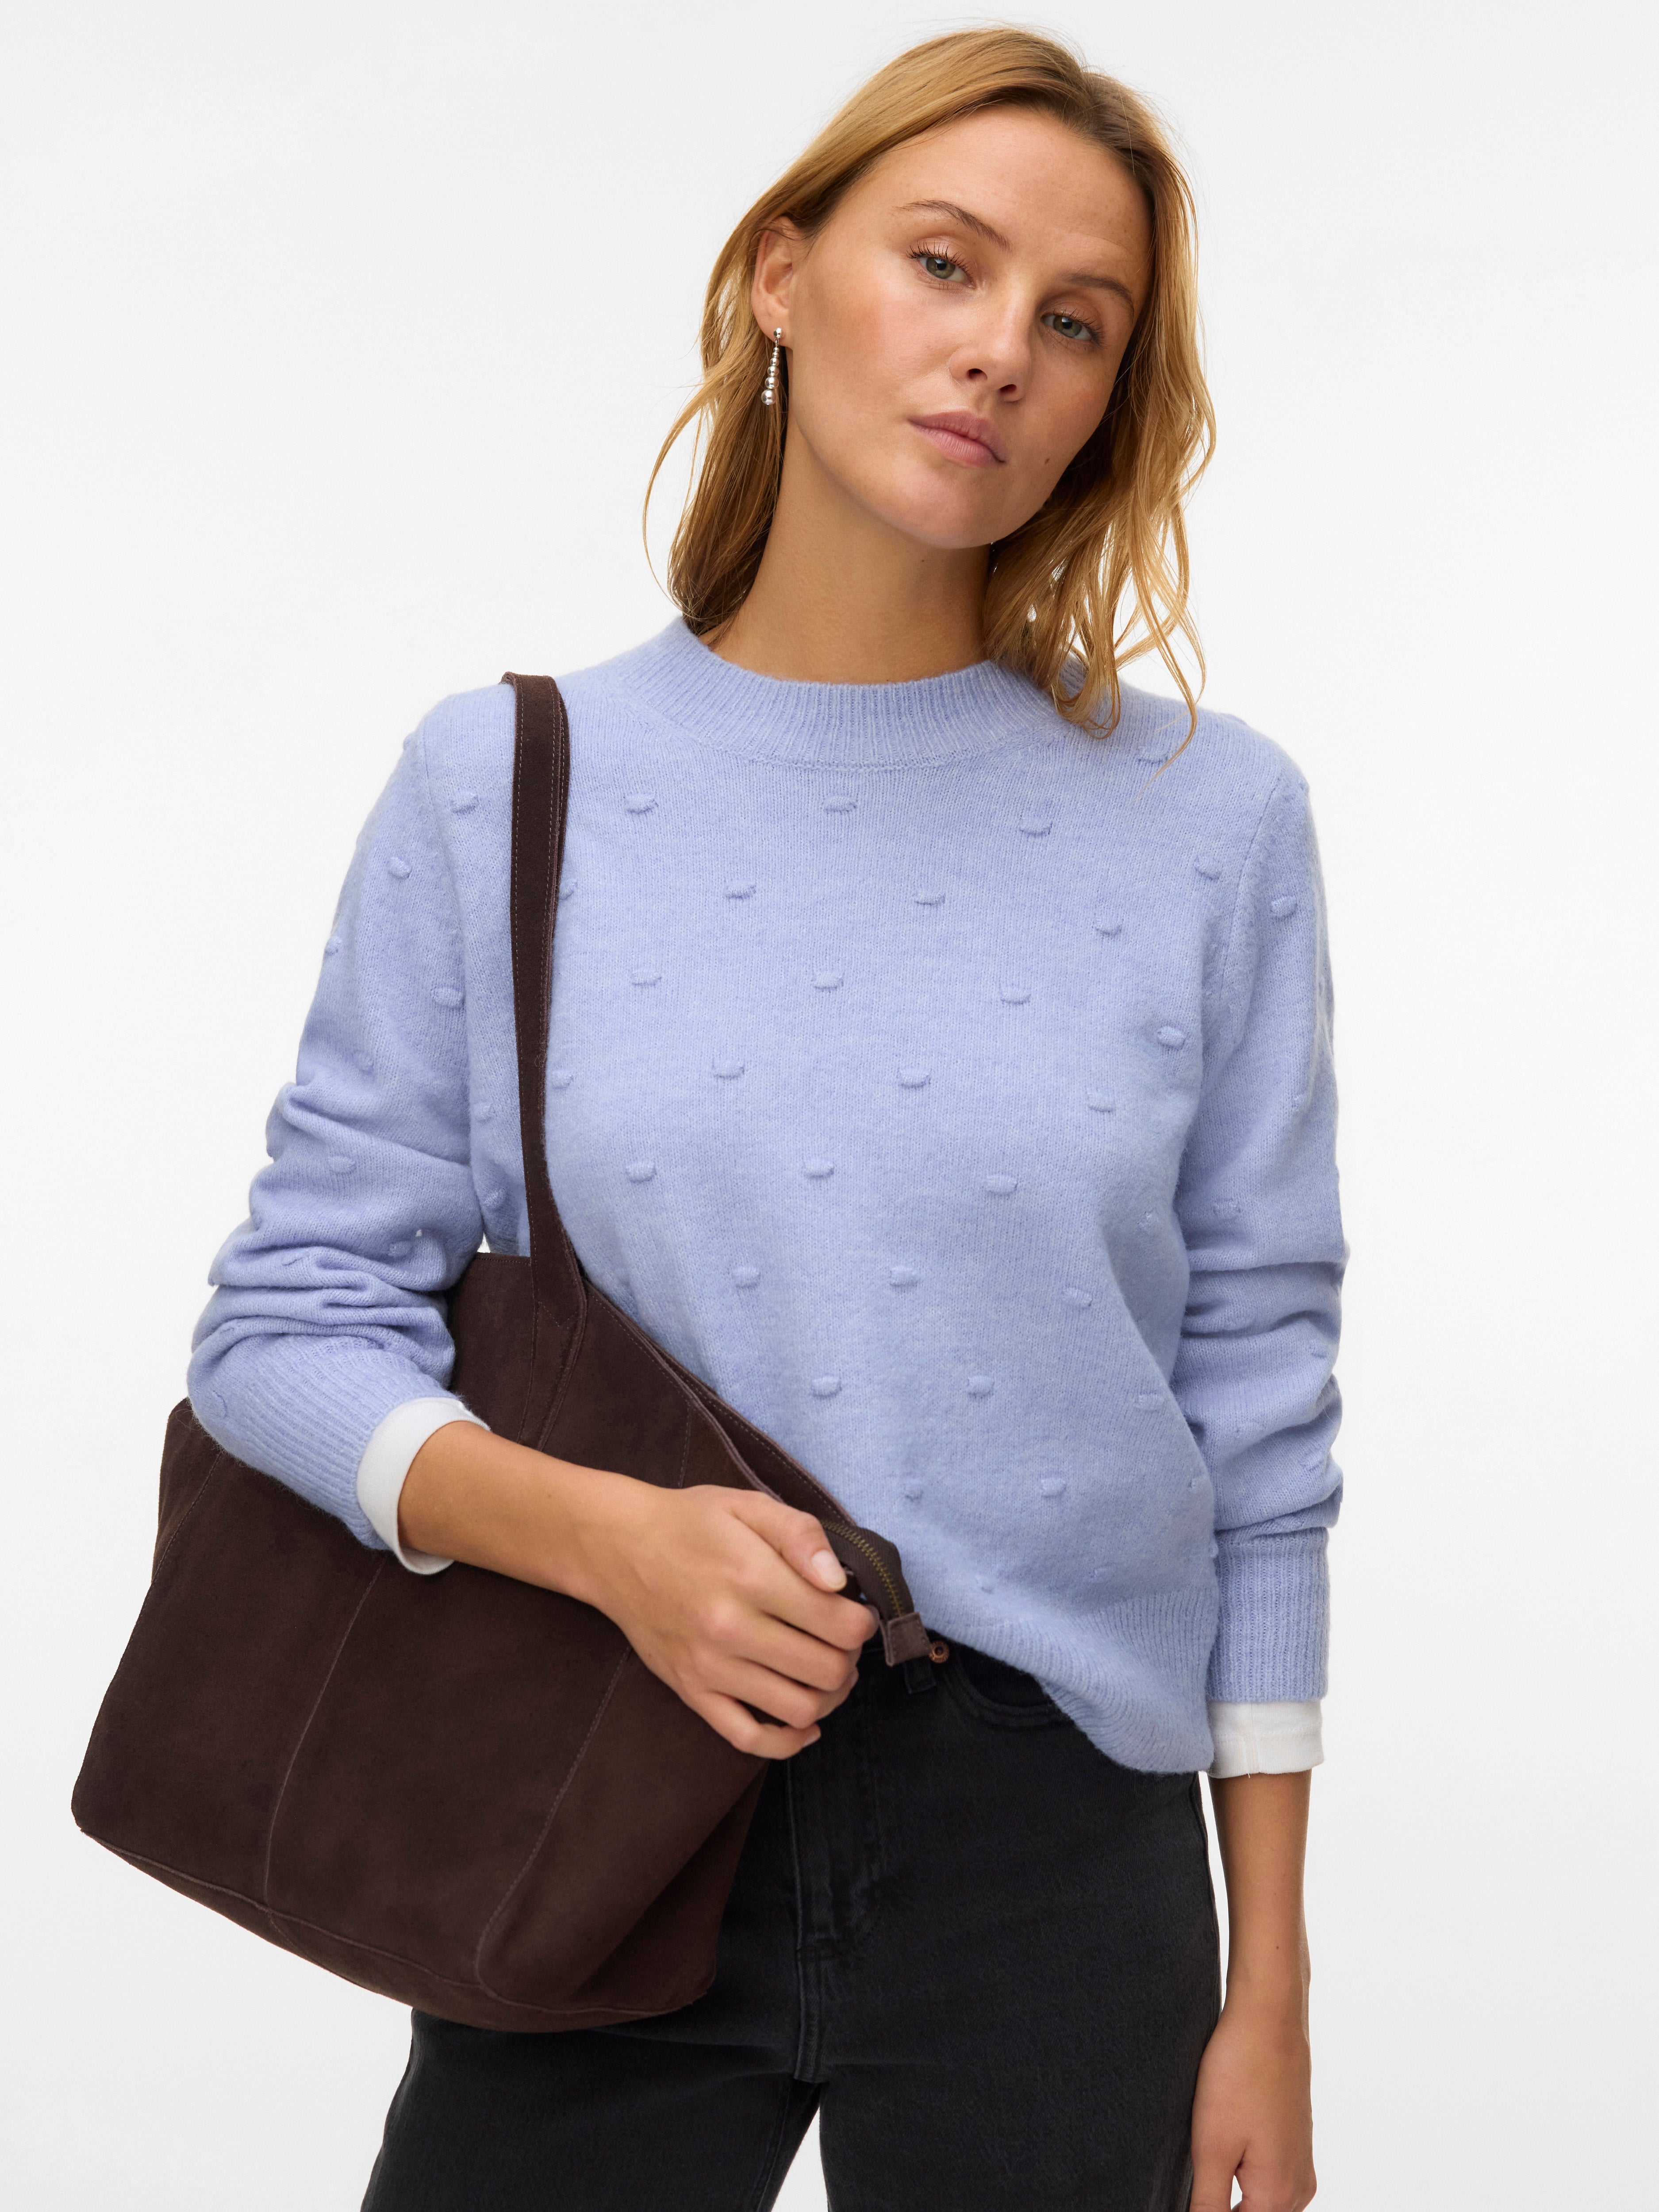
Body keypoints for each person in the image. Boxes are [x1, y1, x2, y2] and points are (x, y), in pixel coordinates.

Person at [188, 27, 1342, 2212]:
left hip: (1055, 1842)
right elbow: (283, 1325)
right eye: (945, 262)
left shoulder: (1211, 820)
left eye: (1075, 321)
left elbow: (1257, 1406)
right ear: (777, 278)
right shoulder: (500, 782)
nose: (998, 349)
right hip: (605, 1781)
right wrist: (607, 1539)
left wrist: (1265, 1979)